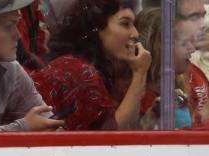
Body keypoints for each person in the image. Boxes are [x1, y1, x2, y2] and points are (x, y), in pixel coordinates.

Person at [32, 0, 151, 130]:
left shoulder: (93, 67)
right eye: (125, 24)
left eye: (134, 25)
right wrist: (140, 73)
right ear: (97, 27)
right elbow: (110, 138)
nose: (135, 34)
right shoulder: (78, 71)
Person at [0, 0, 62, 131]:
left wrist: (51, 127)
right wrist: (24, 128)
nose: (18, 35)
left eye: (17, 25)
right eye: (9, 26)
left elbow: (47, 121)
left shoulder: (10, 70)